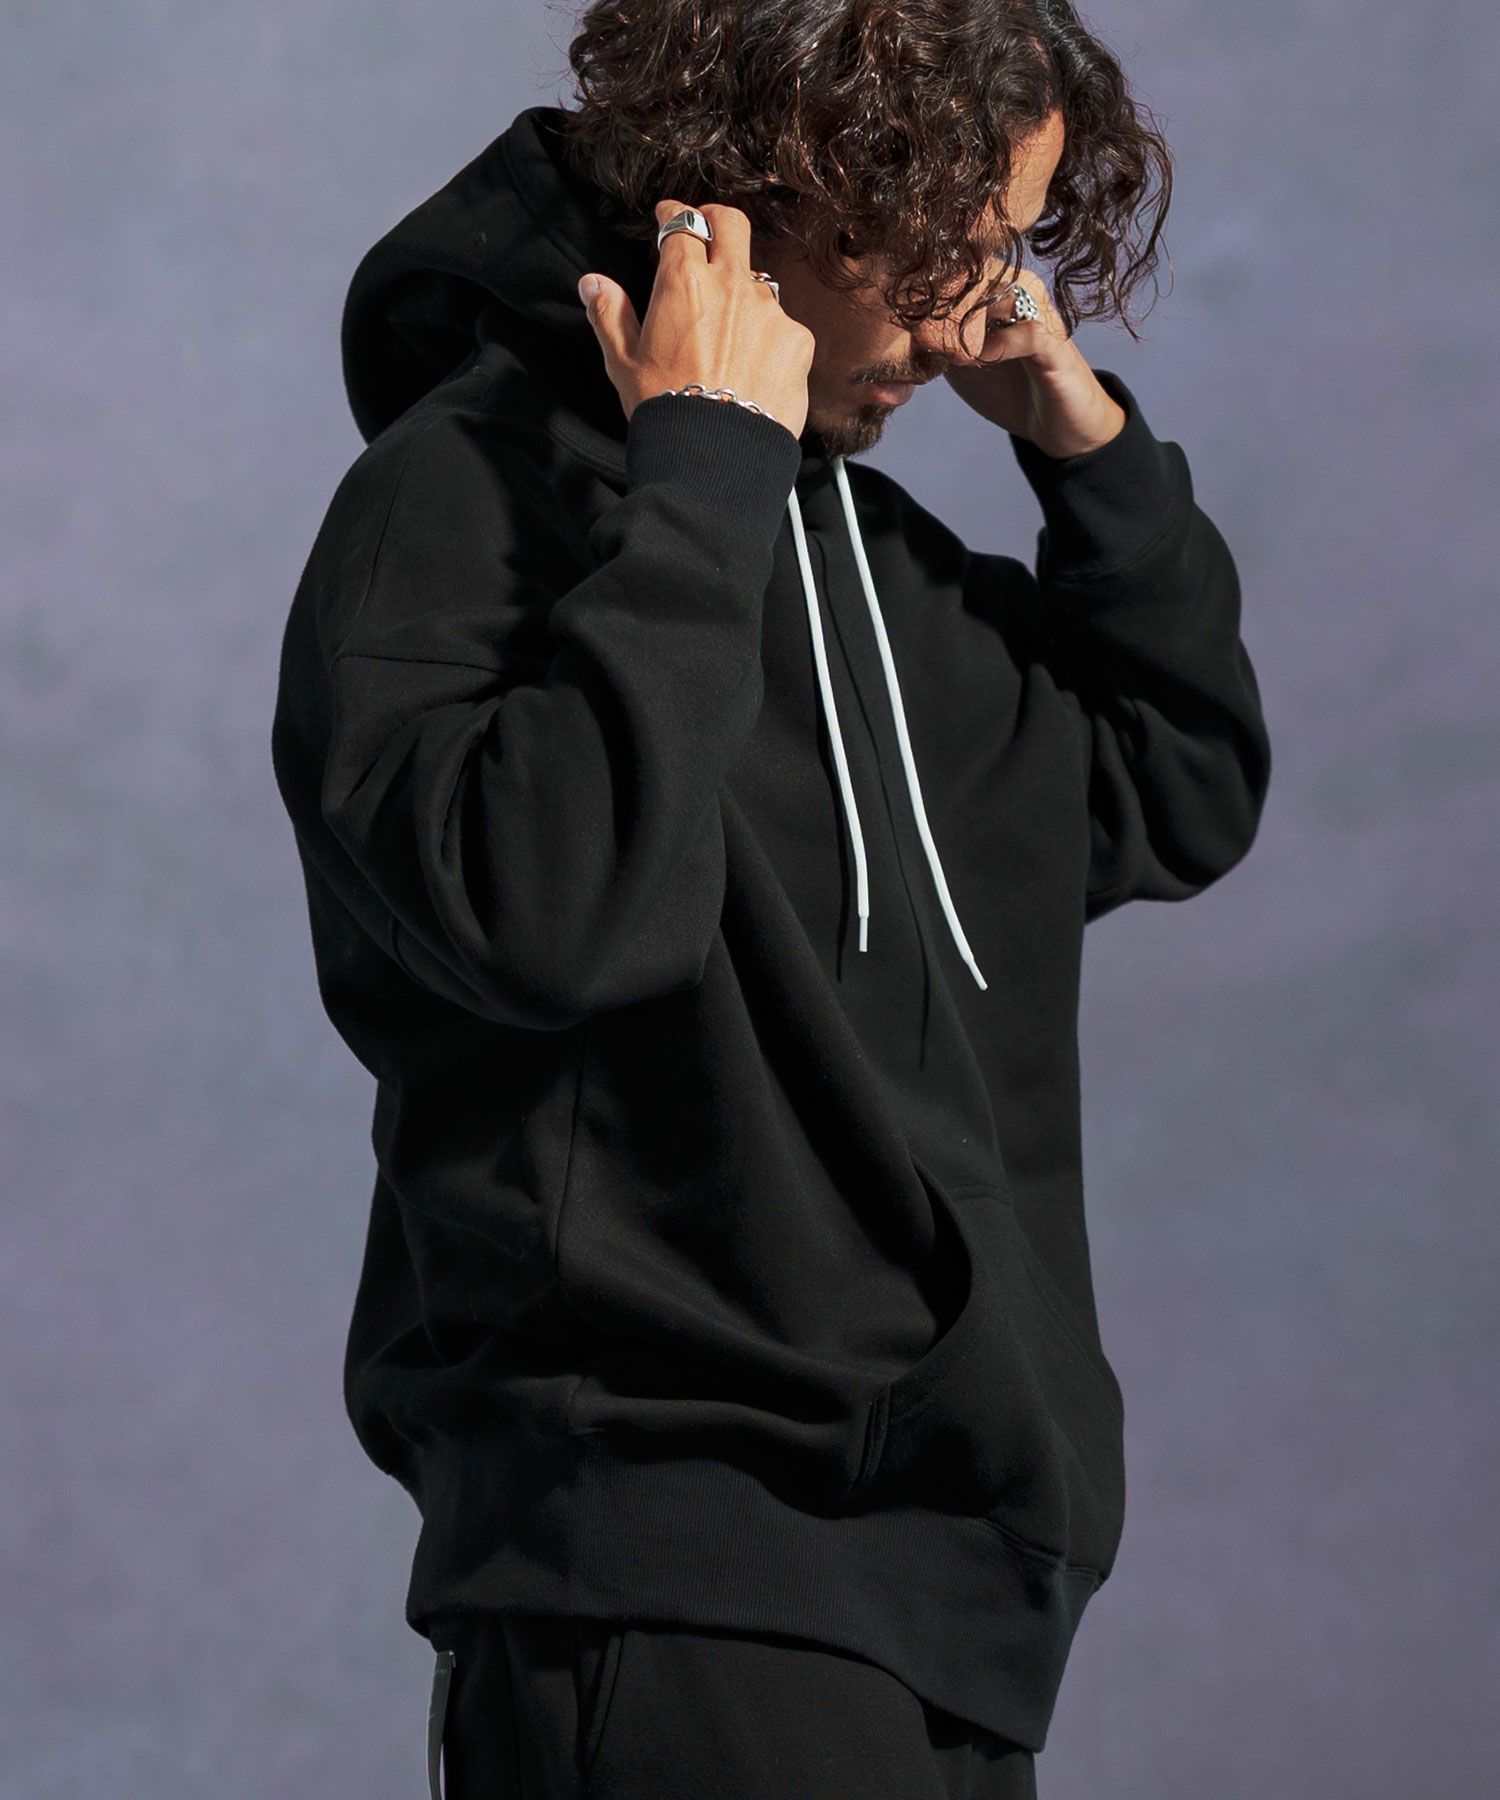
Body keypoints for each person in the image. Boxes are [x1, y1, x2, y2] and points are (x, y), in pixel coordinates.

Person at [270, 0, 1272, 1791]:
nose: (972, 308)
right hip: (661, 1573)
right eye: (949, 239)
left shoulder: (867, 568)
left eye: (1004, 249)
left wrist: (1080, 442)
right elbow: (555, 917)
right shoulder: (459, 501)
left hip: (957, 1608)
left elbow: (1174, 782)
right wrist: (706, 469)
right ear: (787, 178)